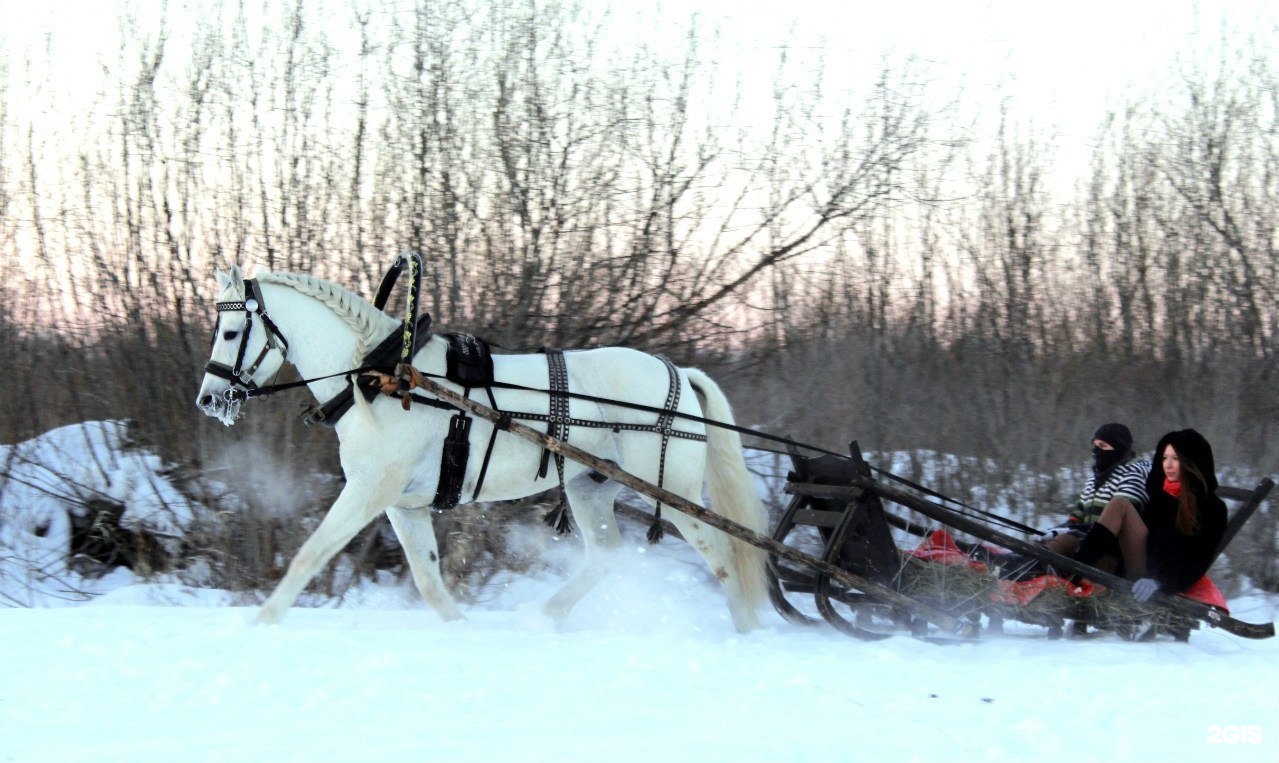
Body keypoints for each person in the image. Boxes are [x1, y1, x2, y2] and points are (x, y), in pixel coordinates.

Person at [1073, 428, 1228, 601]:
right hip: (1137, 564)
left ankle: (1073, 572)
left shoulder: (1213, 508)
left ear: (1192, 462)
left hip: (1157, 578)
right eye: (1165, 458)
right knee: (1075, 540)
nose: (1168, 465)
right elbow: (1141, 538)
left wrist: (1159, 581)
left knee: (1120, 504)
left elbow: (1196, 562)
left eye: (1175, 459)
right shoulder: (1161, 497)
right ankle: (1071, 570)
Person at [1038, 423, 1151, 558]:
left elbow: (1116, 525)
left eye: (1102, 446)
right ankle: (1021, 566)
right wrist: (1053, 531)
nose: (1096, 451)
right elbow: (1076, 519)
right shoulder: (1094, 480)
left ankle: (1035, 567)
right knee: (1045, 541)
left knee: (1065, 541)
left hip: (1121, 555)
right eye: (1095, 445)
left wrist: (1069, 532)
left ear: (1118, 449)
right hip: (1090, 546)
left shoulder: (1135, 475)